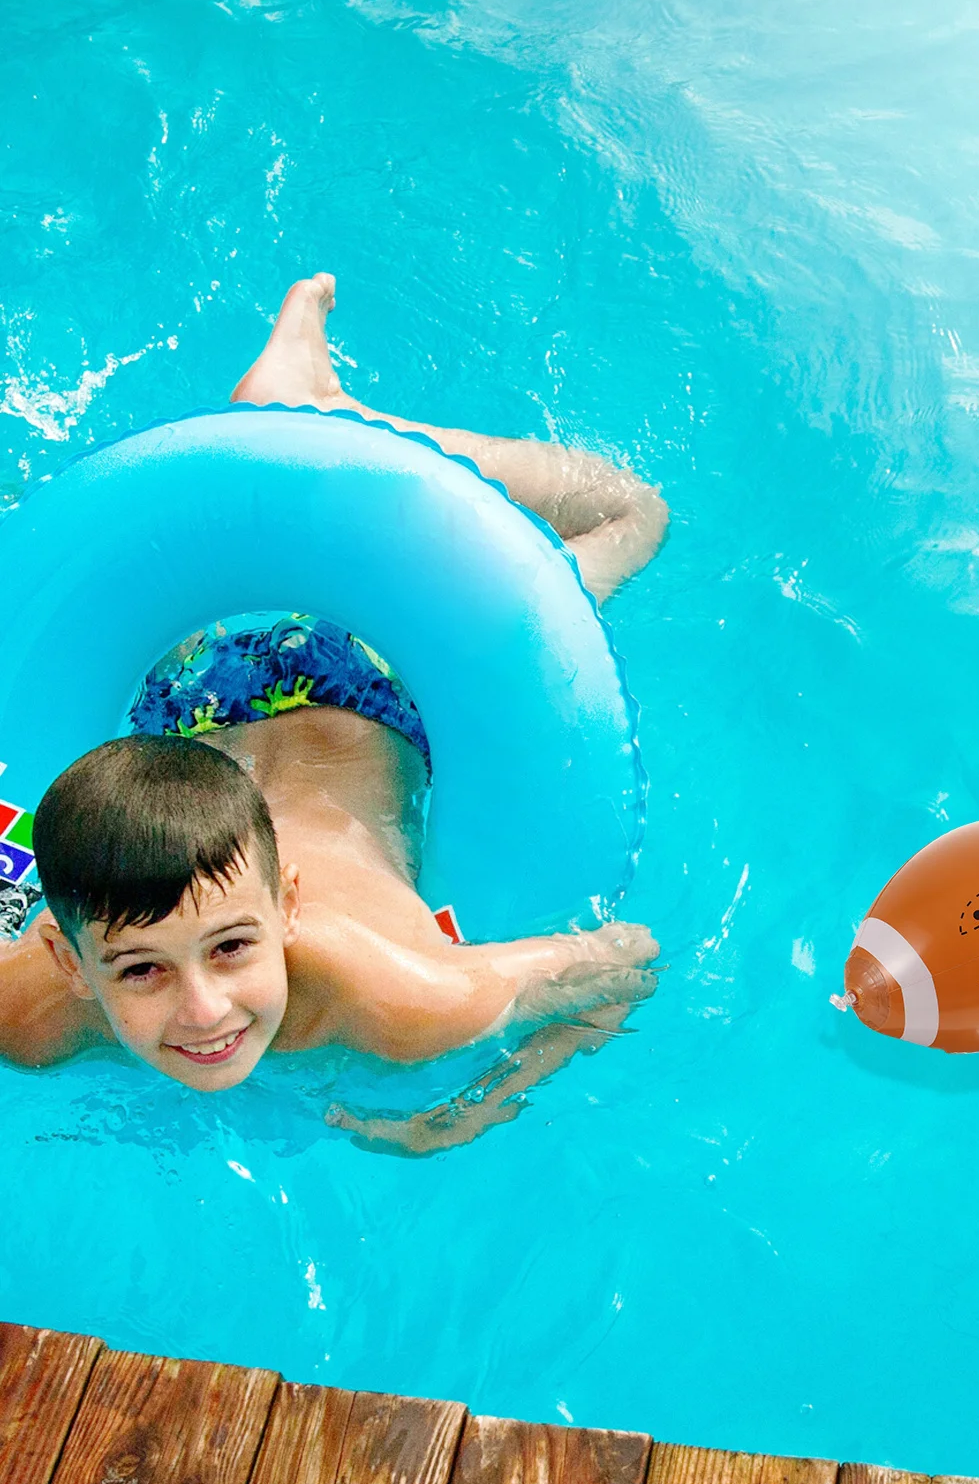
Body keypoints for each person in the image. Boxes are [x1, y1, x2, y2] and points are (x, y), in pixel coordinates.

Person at [0, 275, 665, 1152]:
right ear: (67, 963)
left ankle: (351, 429)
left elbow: (627, 964)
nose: (204, 1011)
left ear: (287, 905)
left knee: (632, 513)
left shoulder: (410, 996)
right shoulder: (25, 1016)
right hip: (191, 709)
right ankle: (283, 425)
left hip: (372, 691)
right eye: (139, 969)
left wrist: (479, 1108)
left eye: (233, 948)